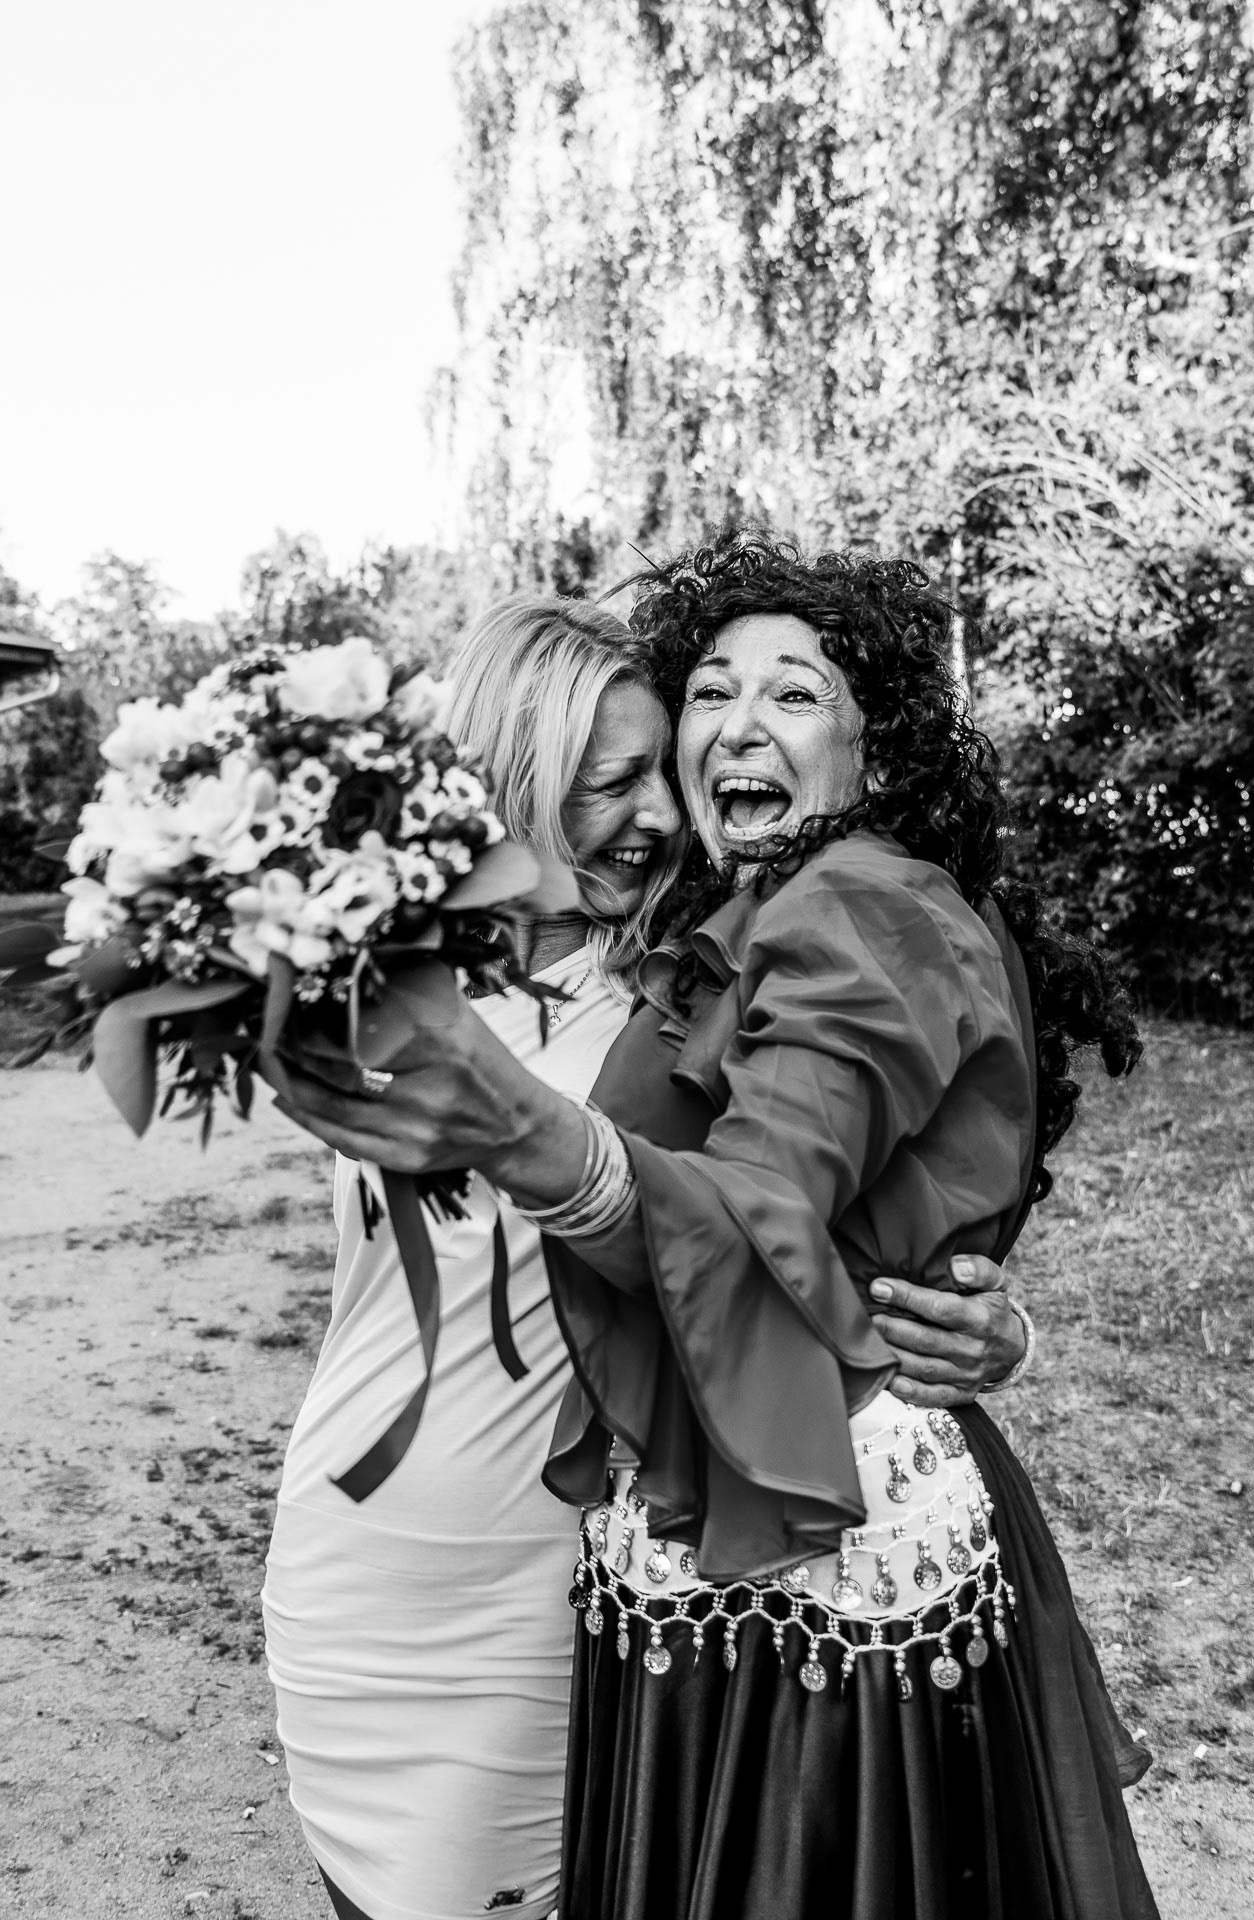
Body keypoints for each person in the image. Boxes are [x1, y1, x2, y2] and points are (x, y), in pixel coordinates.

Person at [263, 589, 1025, 1920]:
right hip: (348, 1561)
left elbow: (817, 1201)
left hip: (545, 1578)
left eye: (657, 771)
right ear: (513, 781)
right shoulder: (380, 977)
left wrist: (999, 1327)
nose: (661, 815)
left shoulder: (692, 984)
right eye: (615, 782)